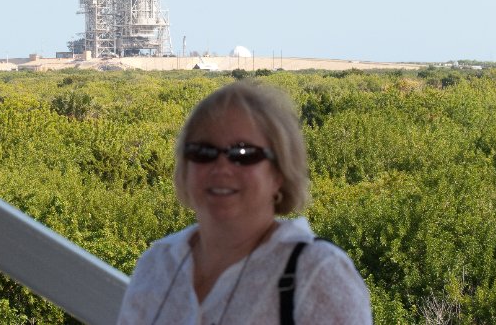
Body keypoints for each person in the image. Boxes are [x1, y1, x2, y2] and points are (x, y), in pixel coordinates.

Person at [117, 80, 371, 324]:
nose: (221, 167)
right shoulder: (158, 264)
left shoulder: (318, 274)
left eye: (244, 154)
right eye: (203, 152)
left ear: (279, 172)